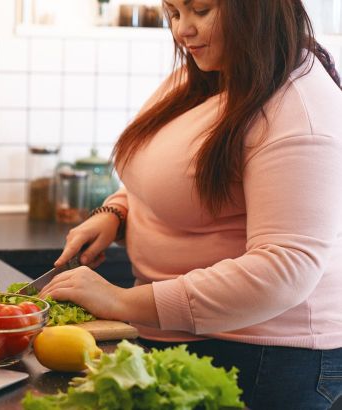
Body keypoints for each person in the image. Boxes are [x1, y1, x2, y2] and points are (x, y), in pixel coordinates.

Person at [39, 1, 342, 408]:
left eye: (200, 10)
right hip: (183, 339)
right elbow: (174, 173)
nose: (183, 30)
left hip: (263, 359)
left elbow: (283, 269)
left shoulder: (299, 111)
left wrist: (122, 302)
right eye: (174, 12)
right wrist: (116, 210)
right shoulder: (210, 74)